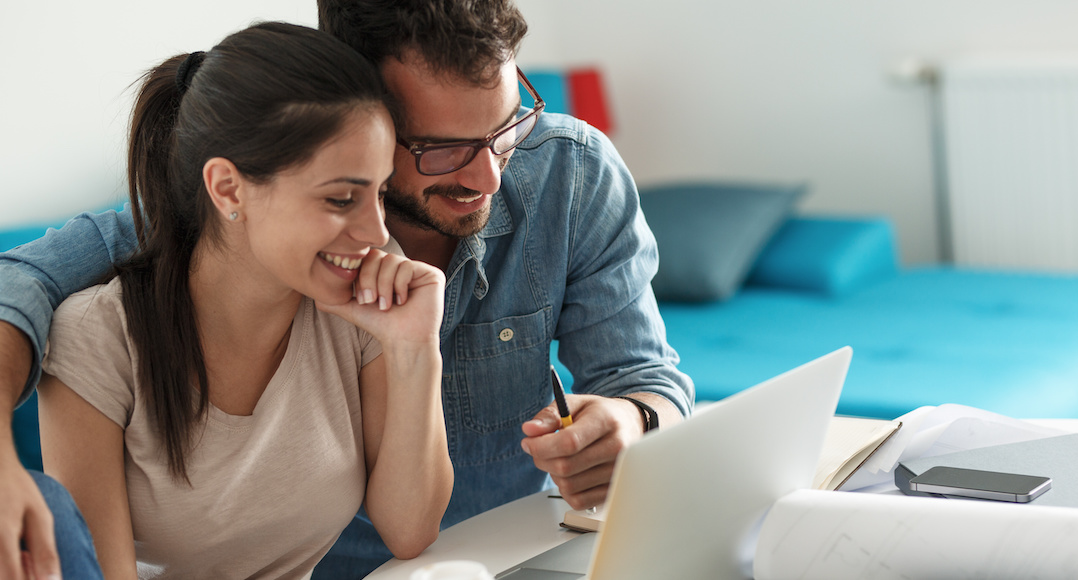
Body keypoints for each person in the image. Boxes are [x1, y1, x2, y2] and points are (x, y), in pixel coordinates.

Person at [0, 0, 694, 577]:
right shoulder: (220, 231)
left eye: (508, 125)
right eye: (441, 148)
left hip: (508, 551)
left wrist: (634, 421)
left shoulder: (568, 172)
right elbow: (19, 280)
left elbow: (648, 378)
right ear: (363, 116)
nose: (489, 178)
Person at [34, 20, 451, 578]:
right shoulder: (97, 340)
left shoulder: (360, 303)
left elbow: (409, 530)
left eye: (378, 193)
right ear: (229, 189)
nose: (376, 232)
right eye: (341, 198)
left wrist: (414, 349)